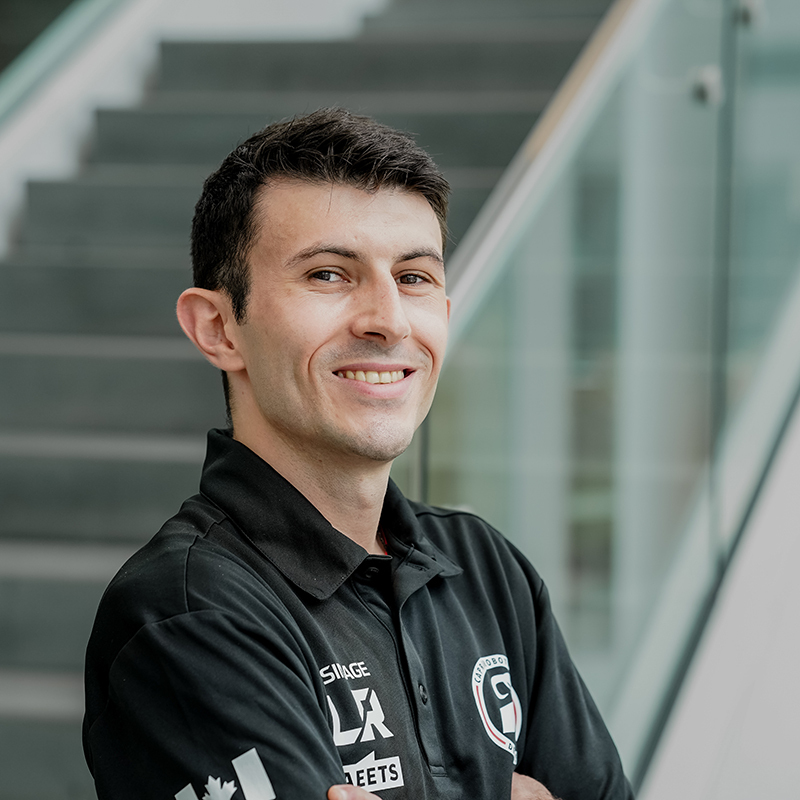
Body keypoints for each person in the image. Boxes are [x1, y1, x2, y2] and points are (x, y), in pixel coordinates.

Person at [83, 108, 633, 800]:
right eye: (328, 275)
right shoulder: (189, 614)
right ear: (220, 328)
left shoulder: (488, 572)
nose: (388, 319)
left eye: (414, 278)